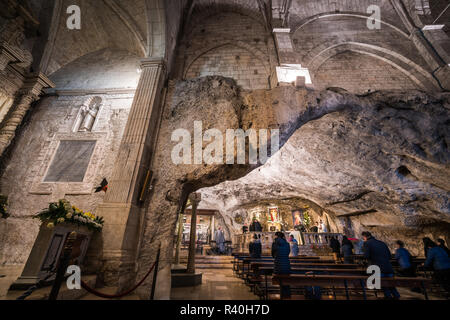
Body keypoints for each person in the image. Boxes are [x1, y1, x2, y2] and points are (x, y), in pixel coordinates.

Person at [362, 231, 400, 300]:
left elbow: (366, 256)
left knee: (383, 284)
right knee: (391, 284)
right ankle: (396, 295)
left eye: (363, 238)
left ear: (364, 237)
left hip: (377, 267)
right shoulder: (382, 243)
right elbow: (389, 256)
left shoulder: (367, 243)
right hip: (388, 267)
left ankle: (388, 296)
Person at [272, 232, 291, 298]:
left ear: (276, 236)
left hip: (278, 264)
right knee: (286, 281)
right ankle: (287, 296)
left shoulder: (275, 244)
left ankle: (282, 296)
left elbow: (273, 255)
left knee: (281, 280)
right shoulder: (287, 244)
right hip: (286, 264)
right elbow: (288, 253)